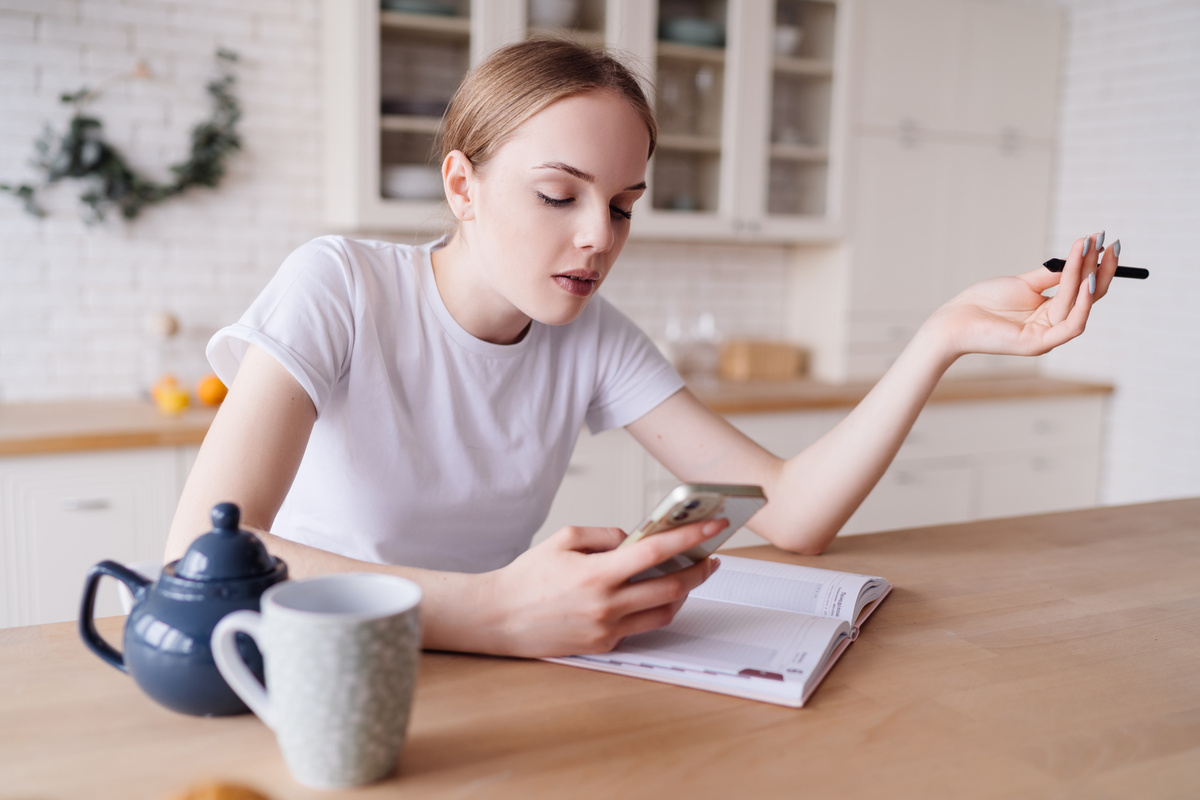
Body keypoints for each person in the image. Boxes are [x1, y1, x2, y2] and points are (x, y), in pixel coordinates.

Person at [165, 39, 1121, 659]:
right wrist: (499, 612)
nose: (598, 237)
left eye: (623, 206)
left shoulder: (590, 338)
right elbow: (203, 549)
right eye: (559, 195)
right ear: (462, 186)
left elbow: (791, 513)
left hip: (490, 670)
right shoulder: (340, 285)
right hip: (310, 665)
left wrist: (941, 337)